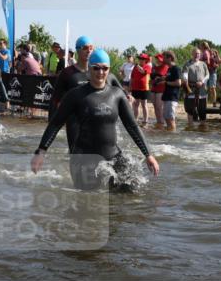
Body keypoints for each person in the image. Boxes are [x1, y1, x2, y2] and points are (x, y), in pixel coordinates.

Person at [31, 49, 158, 190]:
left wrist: (148, 154)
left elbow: (132, 126)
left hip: (113, 157)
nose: (100, 72)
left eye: (105, 68)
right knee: (89, 204)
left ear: (109, 69)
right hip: (84, 160)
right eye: (96, 68)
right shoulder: (75, 95)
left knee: (131, 194)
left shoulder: (117, 95)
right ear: (89, 69)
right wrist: (40, 152)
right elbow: (55, 124)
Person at [49, 36, 129, 147]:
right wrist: (52, 124)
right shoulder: (67, 73)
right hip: (75, 121)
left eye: (91, 48)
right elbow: (55, 99)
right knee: (76, 154)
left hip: (99, 118)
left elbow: (121, 95)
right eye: (85, 48)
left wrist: (129, 97)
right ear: (77, 50)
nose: (89, 50)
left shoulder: (104, 74)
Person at [181, 48, 208, 123]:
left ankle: (202, 131)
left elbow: (207, 75)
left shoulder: (203, 64)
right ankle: (191, 130)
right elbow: (184, 75)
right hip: (191, 91)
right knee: (190, 112)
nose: (197, 55)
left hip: (202, 91)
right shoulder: (187, 64)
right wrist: (186, 82)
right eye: (195, 53)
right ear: (192, 54)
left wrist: (202, 82)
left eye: (198, 53)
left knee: (202, 112)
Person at [162, 51, 184, 130]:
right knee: (166, 118)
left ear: (170, 58)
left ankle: (173, 137)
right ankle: (169, 137)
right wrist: (162, 79)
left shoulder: (176, 69)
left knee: (171, 119)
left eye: (164, 58)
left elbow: (178, 83)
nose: (162, 59)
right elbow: (169, 78)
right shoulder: (169, 69)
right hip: (167, 96)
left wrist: (166, 82)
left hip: (172, 97)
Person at [130, 53, 152, 126]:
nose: (140, 60)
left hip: (144, 89)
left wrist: (137, 65)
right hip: (135, 88)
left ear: (145, 60)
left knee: (144, 105)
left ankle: (145, 121)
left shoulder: (147, 66)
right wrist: (130, 86)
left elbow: (143, 71)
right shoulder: (135, 67)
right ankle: (135, 120)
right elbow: (132, 77)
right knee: (135, 104)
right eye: (140, 59)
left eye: (142, 59)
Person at [150, 53, 168, 128]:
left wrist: (160, 78)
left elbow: (167, 77)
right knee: (155, 106)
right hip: (154, 88)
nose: (158, 60)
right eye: (157, 59)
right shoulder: (154, 68)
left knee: (159, 106)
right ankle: (158, 121)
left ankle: (162, 122)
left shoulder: (166, 67)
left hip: (161, 89)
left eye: (159, 59)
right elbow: (151, 77)